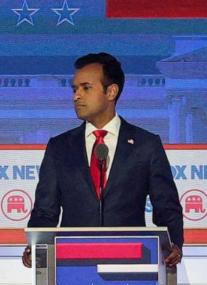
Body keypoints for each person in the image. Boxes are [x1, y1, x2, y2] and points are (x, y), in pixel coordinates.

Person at [23, 52, 183, 268]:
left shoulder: (146, 145)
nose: (76, 96)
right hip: (73, 264)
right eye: (74, 89)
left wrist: (173, 243)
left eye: (86, 88)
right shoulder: (59, 147)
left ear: (111, 91)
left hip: (132, 263)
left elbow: (166, 205)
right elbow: (45, 210)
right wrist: (35, 245)